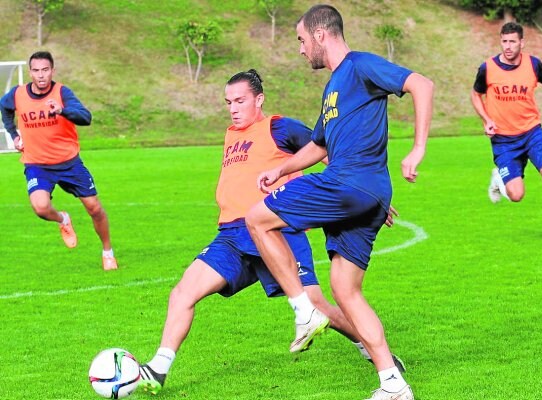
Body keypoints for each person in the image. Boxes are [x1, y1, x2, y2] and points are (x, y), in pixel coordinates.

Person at [138, 69, 405, 395]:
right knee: (182, 293)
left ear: (259, 99)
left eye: (240, 101)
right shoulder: (230, 134)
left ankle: (376, 354)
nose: (233, 108)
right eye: (228, 102)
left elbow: (327, 152)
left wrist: (364, 191)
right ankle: (157, 370)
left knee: (318, 306)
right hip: (232, 236)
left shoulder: (280, 127)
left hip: (275, 230)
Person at [245, 5, 433, 400]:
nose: (299, 50)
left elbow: (422, 85)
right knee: (345, 289)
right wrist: (280, 171)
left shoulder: (360, 65)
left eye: (300, 40)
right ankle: (393, 384)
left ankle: (304, 309)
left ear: (319, 34)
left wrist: (416, 150)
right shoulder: (332, 89)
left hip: (347, 183)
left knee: (258, 219)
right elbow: (317, 145)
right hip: (365, 193)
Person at [0, 51, 118, 270]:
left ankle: (107, 252)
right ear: (30, 72)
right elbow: (4, 108)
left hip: (69, 163)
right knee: (40, 207)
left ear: (52, 70)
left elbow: (86, 117)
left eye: (45, 70)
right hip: (37, 164)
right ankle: (63, 219)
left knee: (95, 209)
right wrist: (14, 134)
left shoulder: (61, 92)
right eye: (36, 70)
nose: (41, 75)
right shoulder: (17, 94)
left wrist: (62, 111)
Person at [471, 22, 542, 247]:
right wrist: (487, 120)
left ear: (521, 43)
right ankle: (498, 178)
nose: (507, 46)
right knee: (516, 195)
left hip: (532, 133)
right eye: (504, 41)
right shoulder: (487, 68)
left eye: (512, 42)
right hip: (504, 140)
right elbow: (476, 95)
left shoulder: (534, 64)